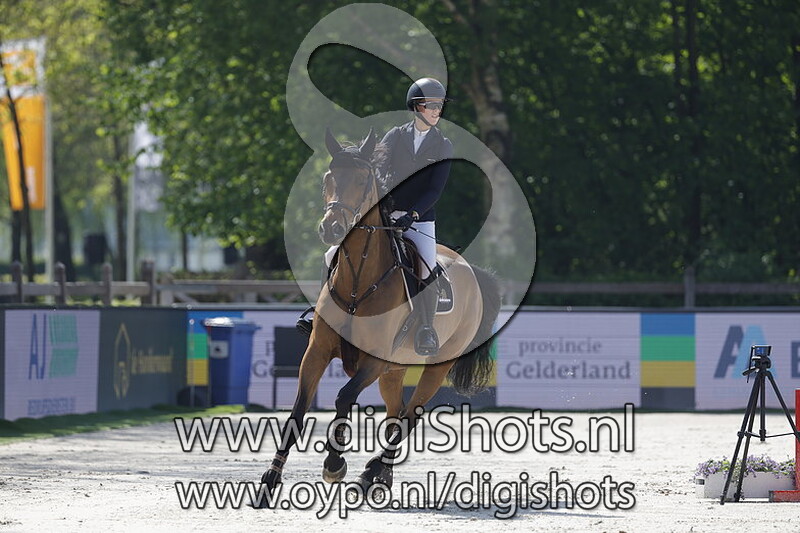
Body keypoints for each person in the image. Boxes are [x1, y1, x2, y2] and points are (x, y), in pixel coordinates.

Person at [298, 77, 453, 357]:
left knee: (427, 266)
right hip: (385, 215)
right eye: (430, 105)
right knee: (331, 254)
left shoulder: (443, 145)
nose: (436, 111)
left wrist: (412, 214)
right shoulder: (396, 136)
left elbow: (435, 189)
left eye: (439, 106)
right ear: (416, 107)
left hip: (419, 220)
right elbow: (377, 172)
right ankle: (320, 316)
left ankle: (426, 328)